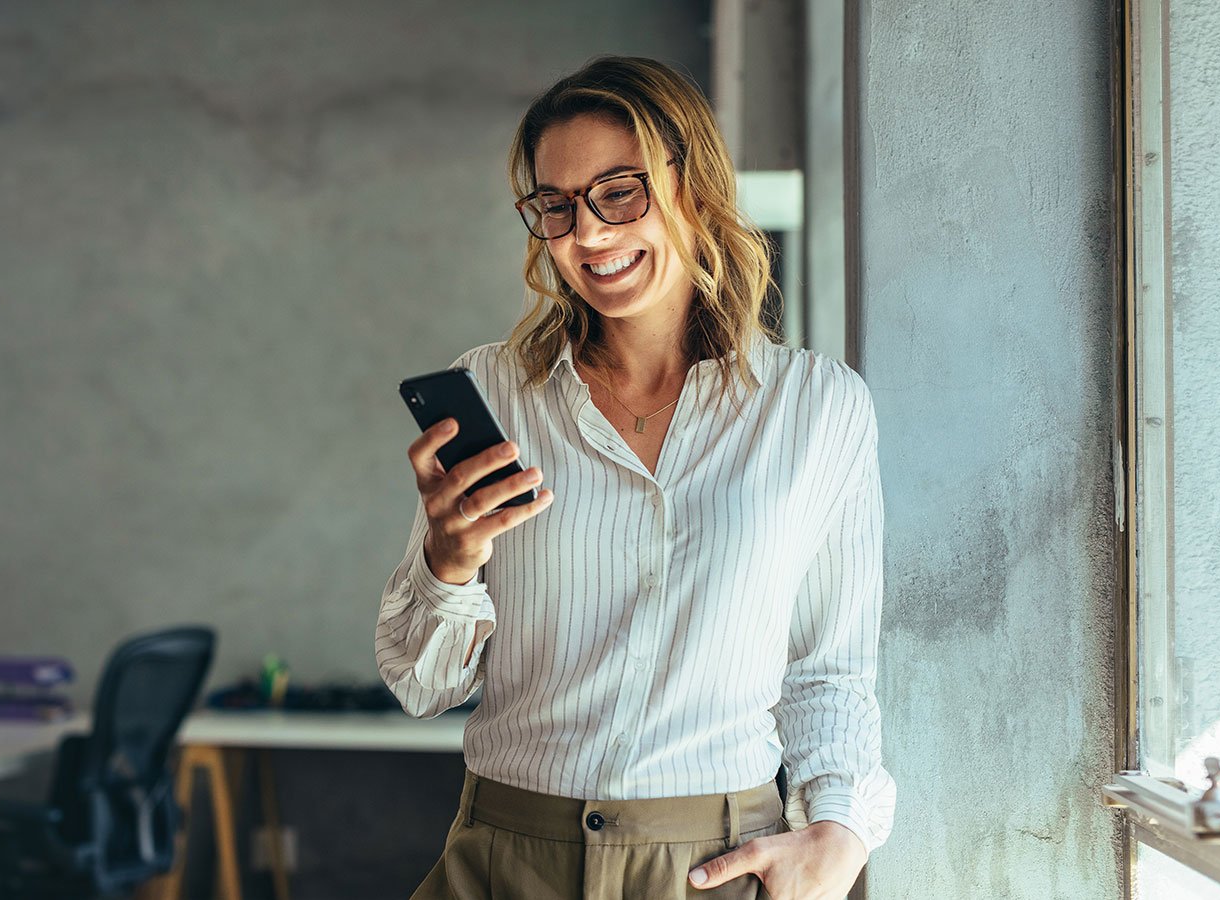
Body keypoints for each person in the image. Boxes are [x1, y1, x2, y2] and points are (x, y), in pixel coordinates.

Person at [376, 55, 895, 900]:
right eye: (556, 205)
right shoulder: (498, 393)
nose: (586, 234)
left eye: (621, 191)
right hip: (507, 856)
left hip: (711, 865)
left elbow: (829, 670)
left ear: (694, 186)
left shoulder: (817, 407)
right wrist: (449, 561)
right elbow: (422, 683)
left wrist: (837, 835)